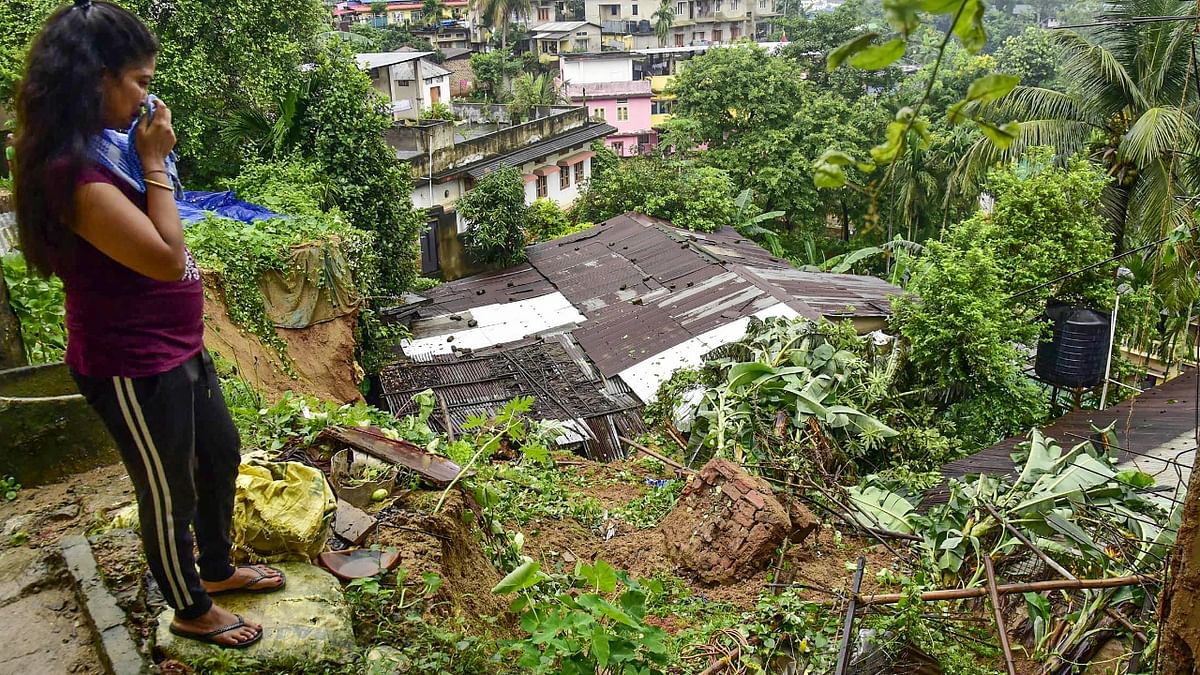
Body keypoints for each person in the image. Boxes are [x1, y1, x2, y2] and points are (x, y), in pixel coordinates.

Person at [12, 0, 284, 649]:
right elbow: (165, 259)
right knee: (167, 489)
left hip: (177, 344)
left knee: (219, 454)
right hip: (130, 360)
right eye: (138, 80)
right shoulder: (74, 173)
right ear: (94, 78)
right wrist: (157, 162)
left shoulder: (111, 148)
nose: (148, 96)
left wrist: (147, 158)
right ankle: (189, 606)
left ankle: (215, 572)